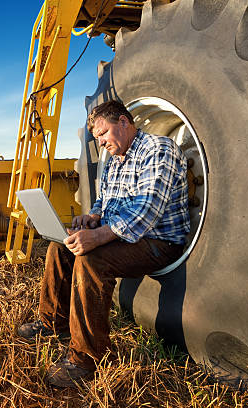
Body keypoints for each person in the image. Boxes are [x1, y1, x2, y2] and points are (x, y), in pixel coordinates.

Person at [17, 100, 190, 388]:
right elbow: (105, 199)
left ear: (124, 122)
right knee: (60, 248)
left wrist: (98, 237)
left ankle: (86, 358)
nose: (100, 142)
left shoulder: (158, 149)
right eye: (96, 137)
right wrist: (93, 217)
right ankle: (52, 324)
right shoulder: (115, 159)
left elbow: (147, 210)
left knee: (91, 260)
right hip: (125, 237)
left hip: (158, 240)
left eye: (103, 133)